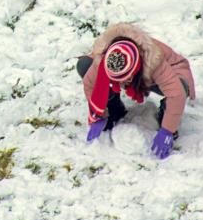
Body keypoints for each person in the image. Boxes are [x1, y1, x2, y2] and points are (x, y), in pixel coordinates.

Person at [76, 22, 195, 159]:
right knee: (85, 65)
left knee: (180, 87)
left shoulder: (154, 60)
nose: (121, 83)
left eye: (124, 79)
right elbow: (90, 84)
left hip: (169, 72)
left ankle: (165, 113)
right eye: (117, 80)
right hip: (134, 75)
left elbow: (176, 94)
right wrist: (98, 113)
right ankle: (114, 108)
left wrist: (167, 130)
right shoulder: (104, 59)